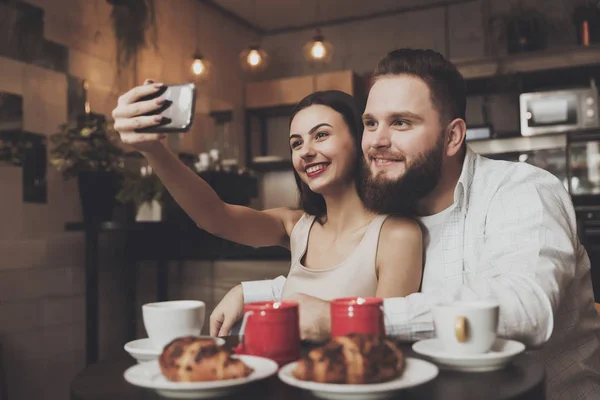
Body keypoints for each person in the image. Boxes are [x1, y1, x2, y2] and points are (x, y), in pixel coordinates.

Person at [223, 49, 600, 398]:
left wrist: (348, 320)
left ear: (452, 136)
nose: (377, 141)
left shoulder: (521, 189)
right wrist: (260, 294)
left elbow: (526, 309)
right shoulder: (393, 207)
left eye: (401, 123)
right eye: (370, 123)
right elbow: (347, 276)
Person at [111, 86, 423, 340]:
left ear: (359, 141)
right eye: (296, 143)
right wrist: (154, 151)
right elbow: (213, 216)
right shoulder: (296, 225)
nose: (306, 150)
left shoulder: (396, 235)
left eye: (321, 135)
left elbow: (387, 343)